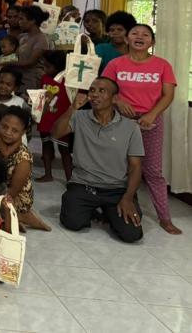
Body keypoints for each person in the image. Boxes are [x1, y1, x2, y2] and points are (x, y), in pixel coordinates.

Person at [103, 24, 181, 234]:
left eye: (145, 34)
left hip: (150, 121)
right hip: (119, 121)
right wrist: (118, 101)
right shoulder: (115, 64)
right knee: (117, 166)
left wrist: (152, 114)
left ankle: (165, 218)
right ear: (127, 39)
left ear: (152, 42)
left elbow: (168, 95)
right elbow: (104, 89)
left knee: (153, 170)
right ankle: (115, 207)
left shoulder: (162, 65)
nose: (139, 37)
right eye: (135, 33)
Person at [54, 78, 144, 243]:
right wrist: (72, 108)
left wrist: (128, 198)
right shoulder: (79, 116)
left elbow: (136, 167)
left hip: (116, 188)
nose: (94, 95)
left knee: (132, 234)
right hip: (83, 185)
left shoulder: (131, 127)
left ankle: (109, 211)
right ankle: (94, 210)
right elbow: (56, 133)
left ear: (114, 98)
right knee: (73, 223)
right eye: (92, 90)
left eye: (102, 91)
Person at [36, 52, 73, 182]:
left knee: (64, 150)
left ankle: (70, 179)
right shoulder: (45, 78)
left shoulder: (67, 80)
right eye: (44, 65)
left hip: (61, 120)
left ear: (58, 67)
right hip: (45, 118)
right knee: (46, 146)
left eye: (48, 66)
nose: (45, 69)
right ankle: (48, 174)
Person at [14, 5, 52, 90]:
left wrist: (8, 63)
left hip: (33, 80)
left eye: (21, 19)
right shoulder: (22, 37)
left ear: (32, 21)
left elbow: (30, 62)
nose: (19, 22)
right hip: (19, 78)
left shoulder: (41, 39)